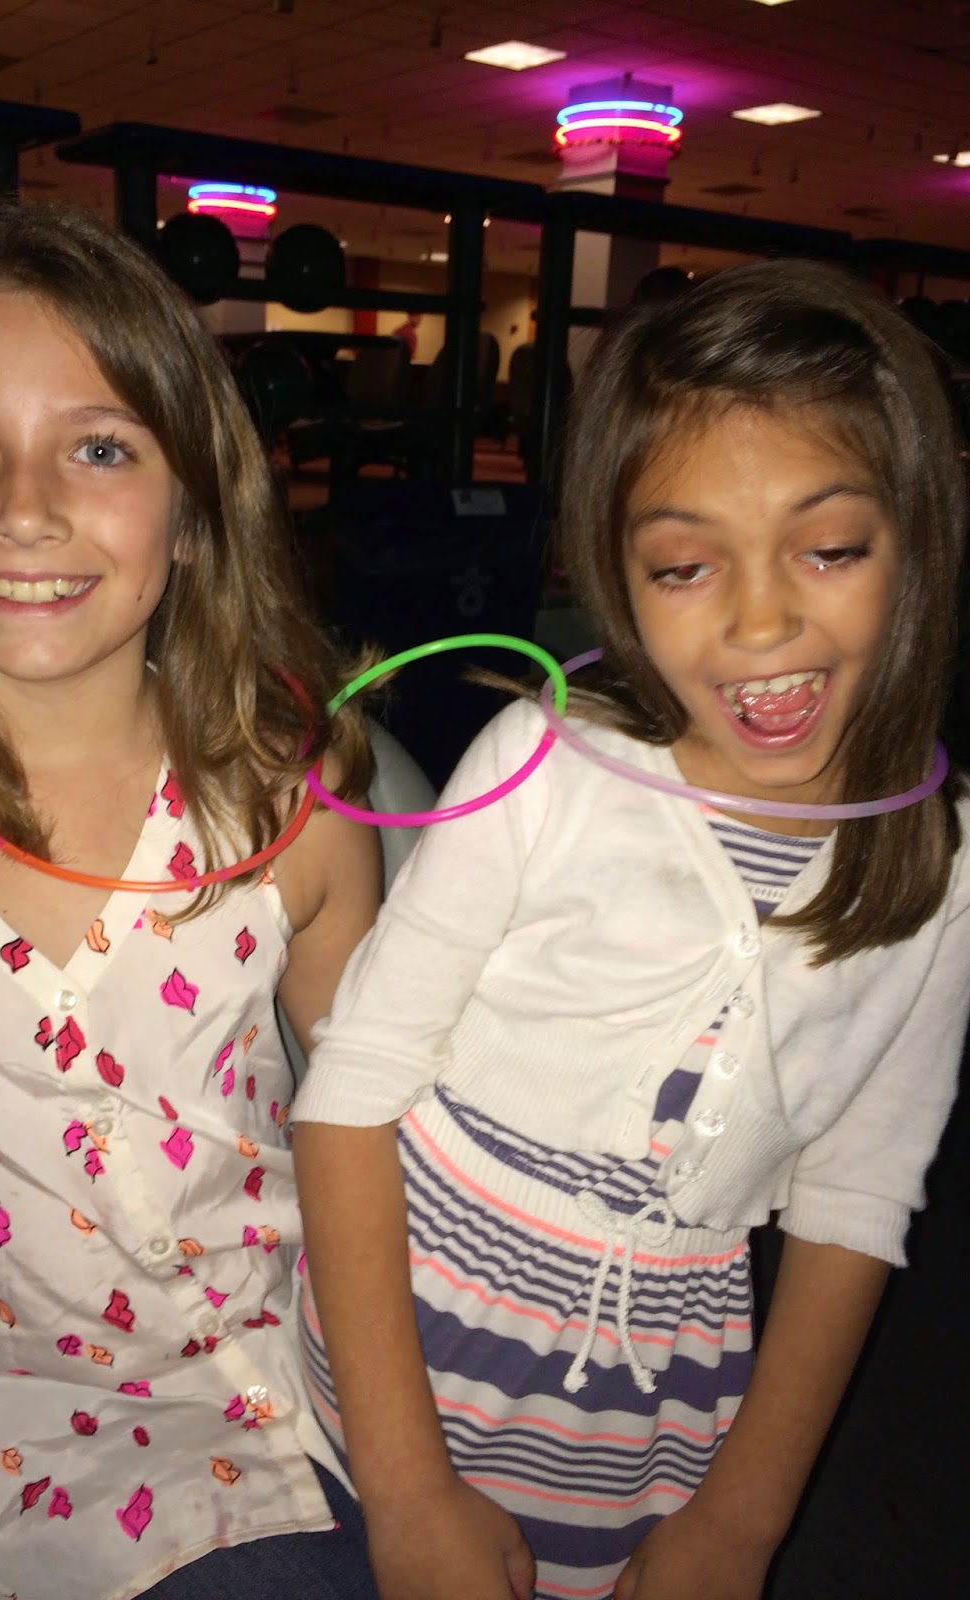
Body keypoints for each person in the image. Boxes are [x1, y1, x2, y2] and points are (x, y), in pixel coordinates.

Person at [291, 258, 970, 1600]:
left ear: (917, 542)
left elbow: (855, 1196)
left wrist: (741, 1525)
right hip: (385, 1372)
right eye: (685, 565)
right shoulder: (542, 766)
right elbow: (351, 1089)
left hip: (645, 1424)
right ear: (618, 573)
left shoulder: (937, 865)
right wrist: (409, 1491)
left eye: (831, 548)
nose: (762, 618)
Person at [0, 201, 383, 1600]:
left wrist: (412, 1488)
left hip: (323, 1378)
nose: (26, 508)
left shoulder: (295, 803)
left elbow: (381, 1156)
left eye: (100, 447)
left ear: (195, 502)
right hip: (48, 1453)